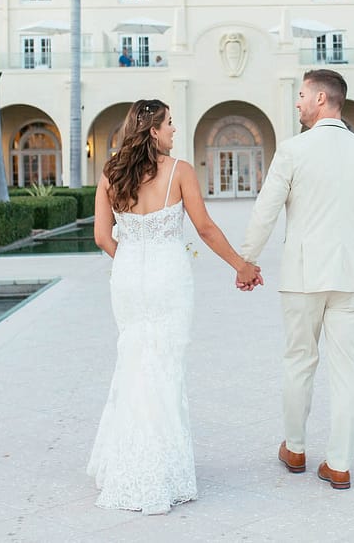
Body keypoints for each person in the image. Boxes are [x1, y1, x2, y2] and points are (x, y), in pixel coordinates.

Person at [88, 99, 262, 515]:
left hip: (128, 277)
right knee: (164, 366)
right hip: (168, 277)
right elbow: (204, 227)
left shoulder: (111, 174)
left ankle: (126, 463)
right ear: (152, 130)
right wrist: (242, 265)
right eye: (169, 124)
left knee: (133, 361)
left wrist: (131, 260)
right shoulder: (179, 171)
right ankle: (161, 469)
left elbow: (101, 236)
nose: (174, 130)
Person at [239, 69, 354, 491]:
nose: (298, 102)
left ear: (322, 98)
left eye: (302, 95)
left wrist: (246, 261)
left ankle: (297, 448)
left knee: (299, 361)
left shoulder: (292, 151)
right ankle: (339, 464)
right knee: (347, 371)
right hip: (352, 276)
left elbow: (266, 210)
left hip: (303, 276)